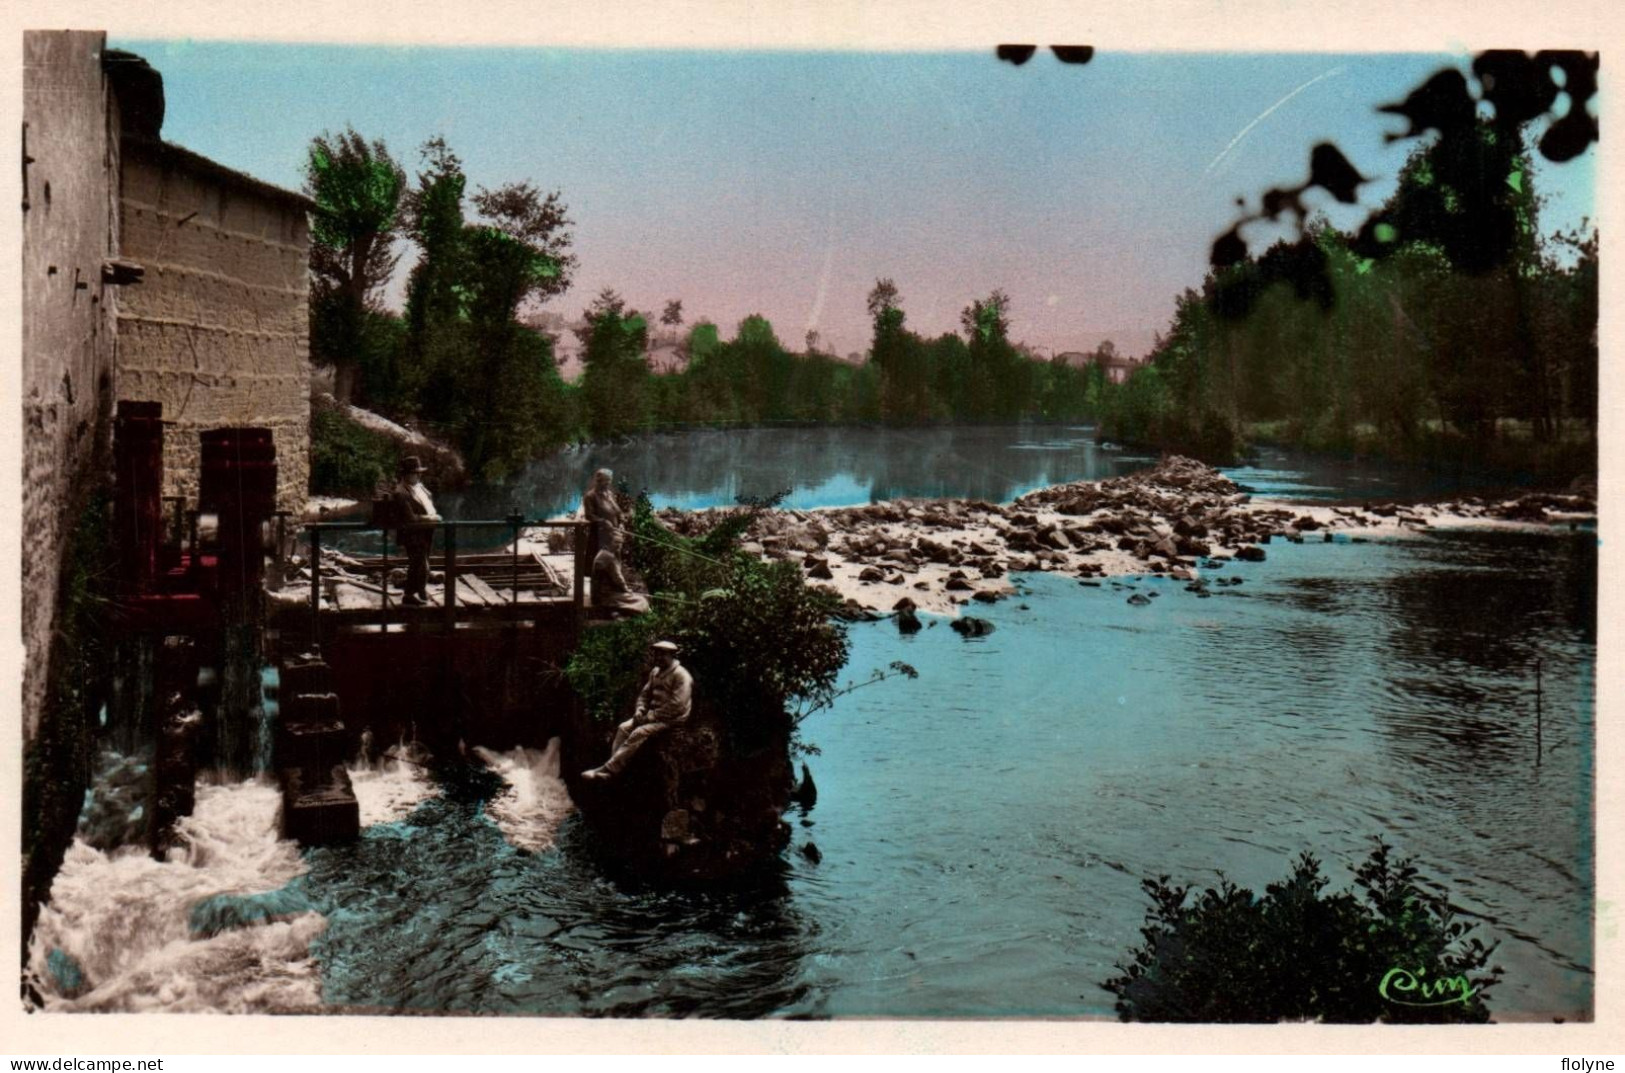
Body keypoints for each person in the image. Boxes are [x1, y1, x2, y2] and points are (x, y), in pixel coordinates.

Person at [581, 640, 692, 781]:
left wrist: (650, 717)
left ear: (672, 655)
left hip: (673, 719)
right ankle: (611, 769)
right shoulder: (655, 672)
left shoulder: (681, 675)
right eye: (656, 655)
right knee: (623, 728)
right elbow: (644, 695)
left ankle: (608, 769)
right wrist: (639, 710)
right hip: (653, 716)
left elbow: (678, 706)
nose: (658, 658)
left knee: (639, 732)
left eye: (662, 655)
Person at [391, 455, 440, 605]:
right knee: (419, 563)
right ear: (406, 475)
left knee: (424, 562)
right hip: (412, 533)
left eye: (419, 472)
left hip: (425, 531)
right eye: (415, 473)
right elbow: (410, 518)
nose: (419, 475)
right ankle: (409, 594)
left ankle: (421, 591)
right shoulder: (401, 492)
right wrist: (432, 518)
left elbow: (427, 499)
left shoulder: (418, 487)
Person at [591, 529, 650, 616]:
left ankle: (616, 611)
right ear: (609, 542)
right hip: (604, 596)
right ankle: (616, 612)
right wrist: (626, 589)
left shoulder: (603, 552)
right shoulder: (608, 557)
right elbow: (618, 578)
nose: (618, 545)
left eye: (620, 543)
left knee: (637, 591)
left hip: (599, 593)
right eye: (616, 542)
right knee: (641, 600)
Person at [582, 468, 623, 566]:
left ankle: (615, 579)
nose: (608, 483)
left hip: (613, 535)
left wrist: (621, 522)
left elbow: (618, 511)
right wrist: (603, 521)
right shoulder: (590, 496)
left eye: (610, 480)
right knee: (600, 564)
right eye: (606, 480)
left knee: (614, 562)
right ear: (598, 481)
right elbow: (589, 515)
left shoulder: (609, 494)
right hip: (599, 536)